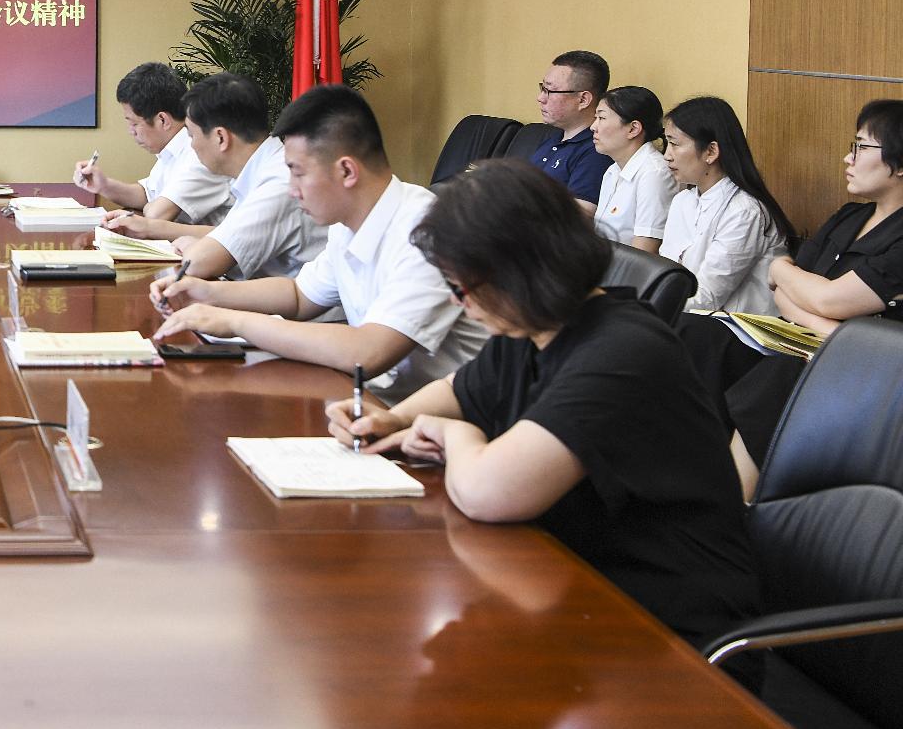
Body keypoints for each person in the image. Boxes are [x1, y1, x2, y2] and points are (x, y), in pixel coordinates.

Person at [325, 160, 758, 656]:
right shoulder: (534, 329)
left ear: (520, 272)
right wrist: (394, 418)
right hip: (577, 591)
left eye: (464, 288)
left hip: (669, 638)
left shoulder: (622, 353)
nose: (461, 303)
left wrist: (456, 436)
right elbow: (460, 389)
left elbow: (489, 493)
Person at [151, 85, 486, 397]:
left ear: (347, 171)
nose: (292, 189)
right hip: (377, 405)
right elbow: (299, 296)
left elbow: (368, 351)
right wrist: (205, 293)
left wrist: (234, 321)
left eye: (298, 173)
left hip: (443, 422)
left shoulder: (426, 231)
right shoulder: (347, 224)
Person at [678, 100, 903, 495]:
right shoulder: (849, 215)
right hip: (801, 337)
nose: (848, 157)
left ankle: (732, 502)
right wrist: (810, 303)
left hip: (869, 365)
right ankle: (680, 468)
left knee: (782, 374)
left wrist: (793, 280)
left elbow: (826, 296)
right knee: (696, 331)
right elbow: (781, 287)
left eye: (862, 146)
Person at [158, 72, 323, 279]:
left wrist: (191, 244)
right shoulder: (260, 168)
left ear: (220, 137)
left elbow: (197, 264)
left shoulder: (279, 181)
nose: (191, 146)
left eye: (192, 135)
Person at [658, 96, 792, 317]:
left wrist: (647, 305)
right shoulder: (683, 200)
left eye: (674, 144)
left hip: (735, 329)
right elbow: (666, 271)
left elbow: (707, 298)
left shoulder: (744, 211)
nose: (666, 156)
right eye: (667, 143)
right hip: (689, 318)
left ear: (711, 152)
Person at [75, 62, 231, 227]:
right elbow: (146, 194)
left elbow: (157, 214)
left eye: (134, 123)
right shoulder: (172, 150)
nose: (131, 131)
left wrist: (152, 206)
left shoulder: (199, 152)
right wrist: (103, 185)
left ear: (162, 120)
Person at [590, 85, 678, 251]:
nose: (593, 127)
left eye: (601, 118)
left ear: (633, 129)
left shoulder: (655, 173)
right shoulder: (612, 171)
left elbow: (645, 252)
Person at [529, 50, 610, 211]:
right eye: (542, 88)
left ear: (583, 100)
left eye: (550, 91)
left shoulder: (596, 149)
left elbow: (581, 214)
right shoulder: (554, 137)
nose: (541, 98)